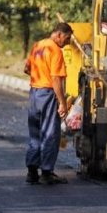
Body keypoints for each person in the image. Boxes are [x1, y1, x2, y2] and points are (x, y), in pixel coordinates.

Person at [23, 22, 73, 185]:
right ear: (59, 34)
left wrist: (40, 73)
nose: (67, 42)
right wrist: (62, 103)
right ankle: (46, 172)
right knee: (50, 133)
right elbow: (56, 79)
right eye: (67, 38)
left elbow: (26, 68)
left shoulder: (38, 45)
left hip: (34, 94)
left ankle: (32, 171)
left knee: (35, 133)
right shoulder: (55, 50)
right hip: (48, 94)